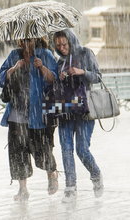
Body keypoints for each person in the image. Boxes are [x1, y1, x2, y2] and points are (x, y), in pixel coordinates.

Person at [0, 37, 59, 201]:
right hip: (16, 114)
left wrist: (42, 67)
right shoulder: (14, 55)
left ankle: (52, 174)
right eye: (23, 39)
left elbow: (55, 79)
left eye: (29, 39)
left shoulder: (44, 54)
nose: (26, 43)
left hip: (37, 113)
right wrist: (13, 68)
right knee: (18, 153)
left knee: (42, 149)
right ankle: (23, 189)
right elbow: (0, 78)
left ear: (36, 39)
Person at [52, 29, 104, 203]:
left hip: (84, 110)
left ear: (71, 41)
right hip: (65, 110)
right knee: (66, 150)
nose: (62, 48)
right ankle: (70, 188)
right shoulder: (59, 62)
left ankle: (95, 174)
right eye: (58, 45)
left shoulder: (85, 53)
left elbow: (98, 77)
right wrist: (59, 78)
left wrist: (82, 72)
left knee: (82, 150)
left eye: (64, 44)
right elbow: (55, 86)